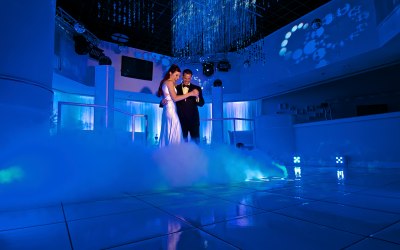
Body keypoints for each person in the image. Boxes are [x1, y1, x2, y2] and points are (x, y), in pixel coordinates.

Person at [157, 64, 198, 147]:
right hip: (171, 111)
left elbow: (167, 97)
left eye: (179, 75)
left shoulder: (171, 83)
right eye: (176, 75)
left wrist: (196, 95)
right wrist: (191, 93)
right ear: (170, 73)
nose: (178, 78)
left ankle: (169, 153)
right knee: (174, 131)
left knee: (171, 131)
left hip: (171, 110)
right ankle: (173, 153)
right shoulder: (169, 82)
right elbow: (175, 98)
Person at [175, 69, 205, 144]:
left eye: (189, 78)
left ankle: (196, 155)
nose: (187, 80)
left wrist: (197, 97)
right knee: (181, 143)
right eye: (185, 78)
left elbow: (201, 104)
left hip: (193, 120)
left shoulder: (197, 88)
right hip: (180, 120)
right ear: (182, 77)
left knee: (196, 143)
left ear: (191, 78)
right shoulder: (176, 88)